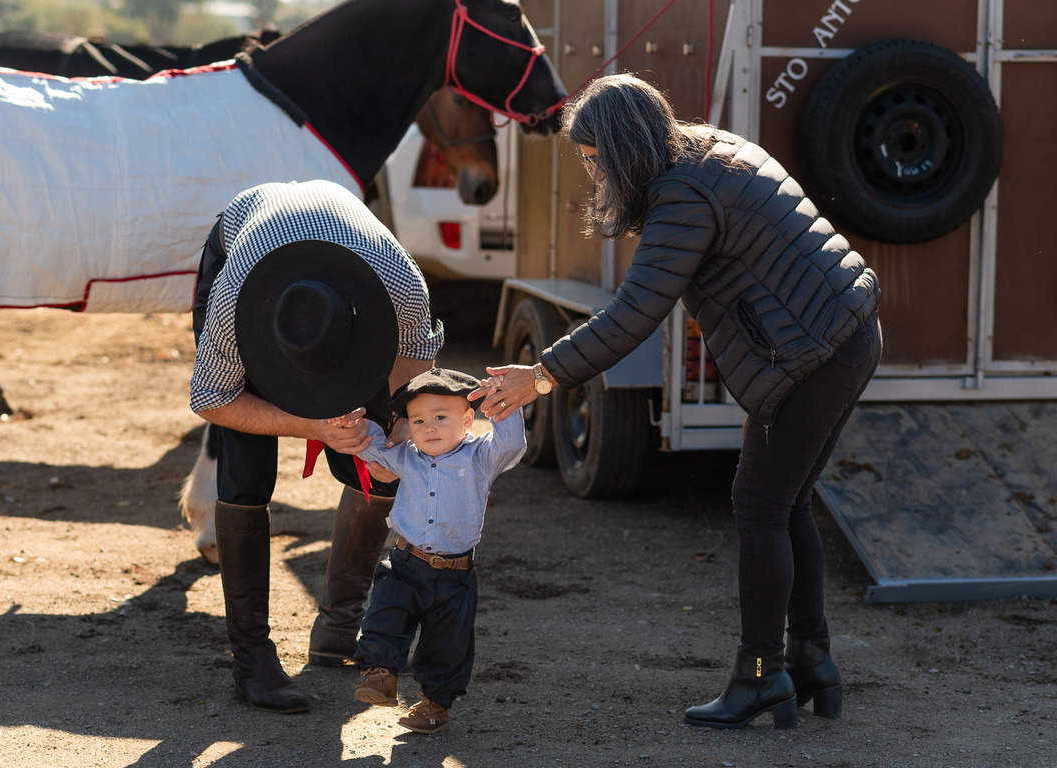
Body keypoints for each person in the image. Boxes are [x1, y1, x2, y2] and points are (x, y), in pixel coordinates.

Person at [470, 74, 881, 730]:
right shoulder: (702, 151)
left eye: (593, 157)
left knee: (760, 503)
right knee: (788, 500)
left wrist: (541, 376)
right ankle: (810, 660)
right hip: (845, 330)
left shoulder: (680, 195)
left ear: (623, 146)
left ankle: (760, 674)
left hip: (814, 350)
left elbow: (635, 314)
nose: (591, 172)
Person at [190, 179, 443, 714]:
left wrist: (399, 428)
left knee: (378, 461)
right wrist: (311, 426)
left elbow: (417, 365)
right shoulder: (235, 303)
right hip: (243, 250)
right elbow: (212, 399)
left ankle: (338, 626)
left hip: (343, 266)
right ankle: (251, 661)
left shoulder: (399, 284)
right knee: (245, 467)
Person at [350, 368, 525, 734]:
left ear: (467, 420)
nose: (428, 427)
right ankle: (380, 676)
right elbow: (373, 446)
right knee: (385, 615)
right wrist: (350, 423)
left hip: (455, 575)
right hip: (405, 563)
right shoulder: (407, 456)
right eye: (418, 420)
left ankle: (434, 707)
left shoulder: (479, 456)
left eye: (440, 418)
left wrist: (502, 403)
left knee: (448, 645)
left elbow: (511, 446)